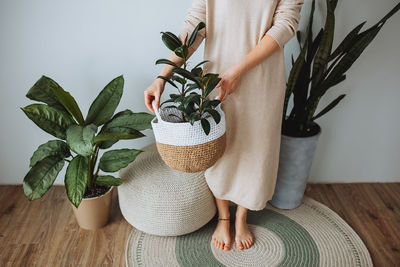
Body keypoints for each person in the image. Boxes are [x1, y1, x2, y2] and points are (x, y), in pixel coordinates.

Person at [144, 0, 304, 251]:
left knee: (257, 147)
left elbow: (285, 25)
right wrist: (163, 76)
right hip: (216, 77)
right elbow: (195, 25)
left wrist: (237, 71)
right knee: (219, 146)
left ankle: (241, 216)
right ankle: (224, 216)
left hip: (261, 75)